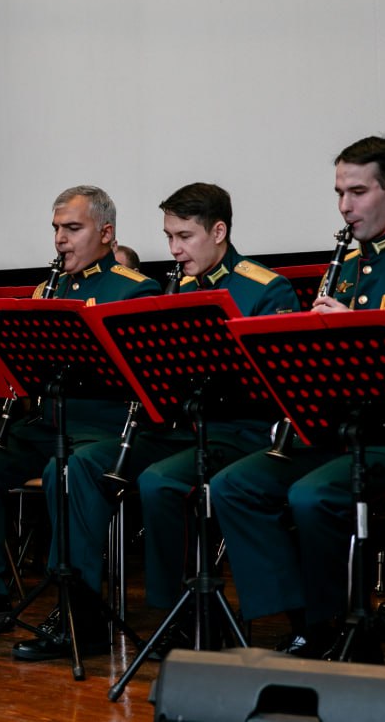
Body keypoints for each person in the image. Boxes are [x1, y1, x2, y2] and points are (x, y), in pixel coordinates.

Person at [208, 135, 385, 661]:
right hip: (335, 435)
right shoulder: (344, 268)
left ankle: (332, 624)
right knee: (235, 485)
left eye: (357, 192)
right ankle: (308, 619)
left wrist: (354, 331)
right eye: (339, 193)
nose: (344, 206)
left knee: (312, 497)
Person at [0, 185, 160, 659]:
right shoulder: (48, 288)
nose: (61, 238)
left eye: (73, 228)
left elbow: (142, 383)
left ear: (106, 233)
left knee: (64, 471)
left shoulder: (136, 289)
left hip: (106, 427)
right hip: (51, 424)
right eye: (57, 228)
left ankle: (77, 611)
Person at [130, 183, 298, 652]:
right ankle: (180, 613)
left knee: (166, 481)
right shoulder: (178, 290)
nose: (173, 249)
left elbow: (280, 388)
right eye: (169, 237)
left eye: (184, 236)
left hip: (248, 433)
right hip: (195, 430)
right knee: (152, 479)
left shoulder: (266, 288)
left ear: (219, 231)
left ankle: (264, 615)